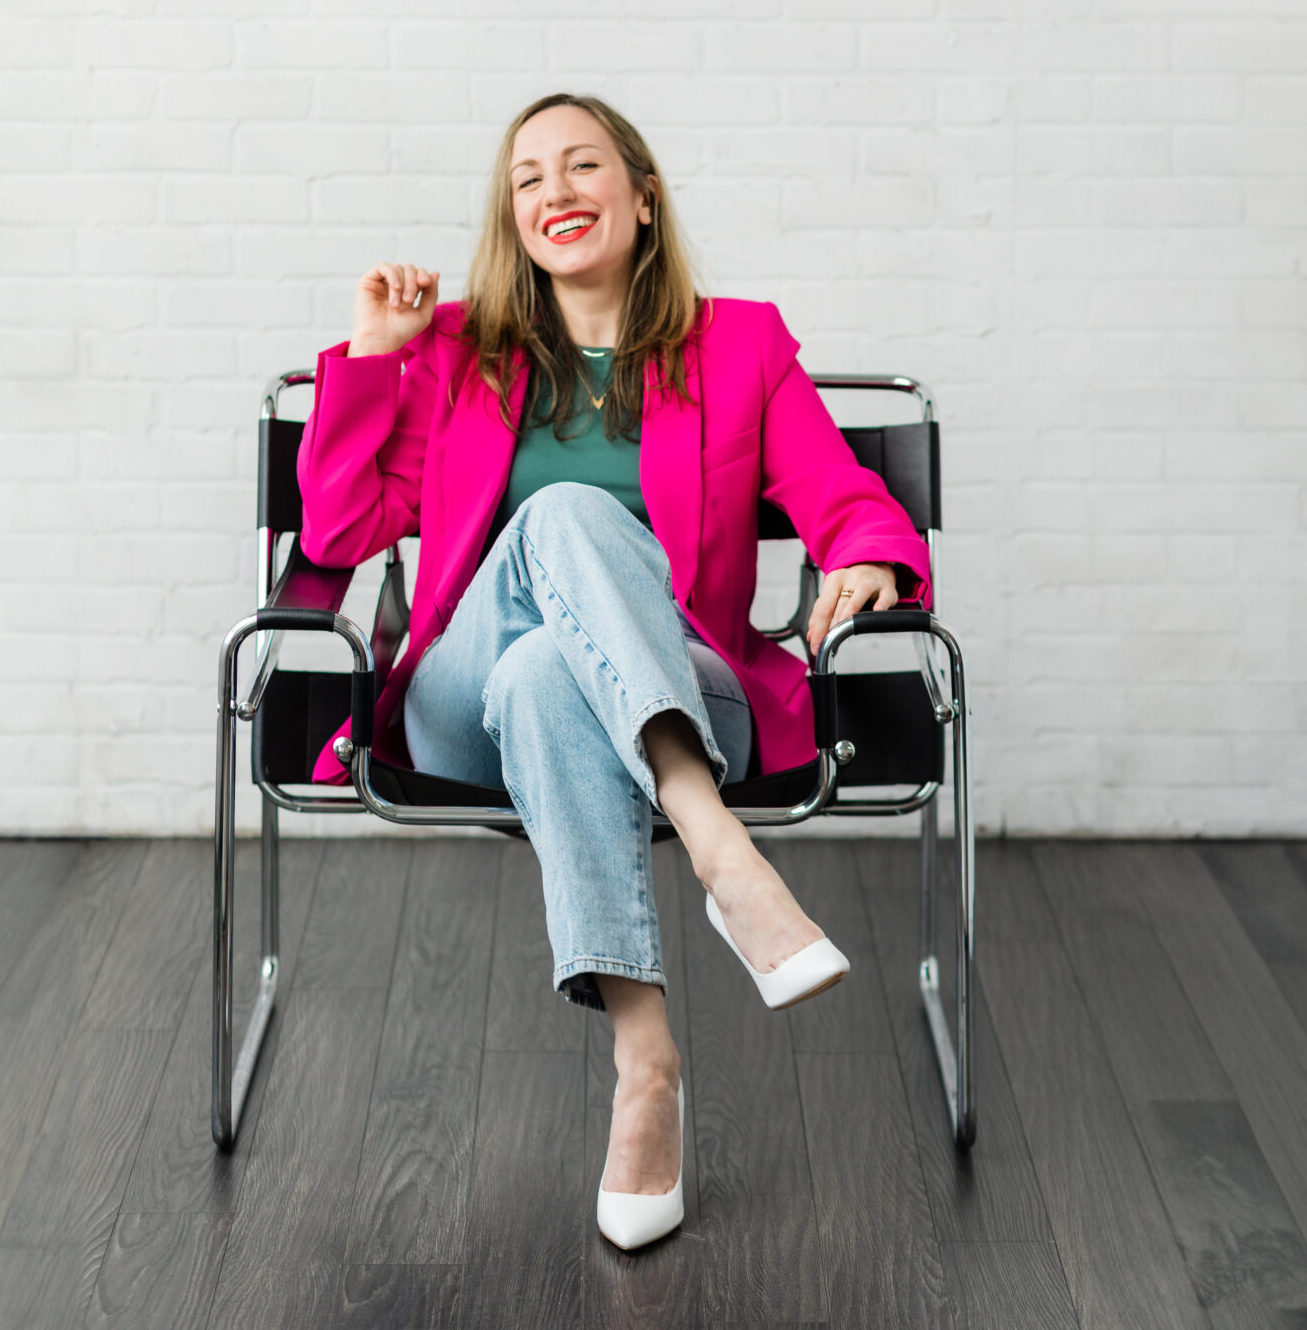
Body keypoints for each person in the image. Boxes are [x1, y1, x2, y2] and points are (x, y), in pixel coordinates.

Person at [296, 92, 932, 1251]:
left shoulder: (740, 344)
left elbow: (844, 499)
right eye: (529, 178)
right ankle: (725, 858)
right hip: (461, 708)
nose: (556, 192)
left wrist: (873, 559)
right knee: (563, 526)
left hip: (689, 683)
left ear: (641, 198)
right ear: (515, 220)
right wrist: (373, 358)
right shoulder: (454, 360)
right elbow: (339, 535)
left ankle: (645, 1066)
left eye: (583, 166)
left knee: (555, 672)